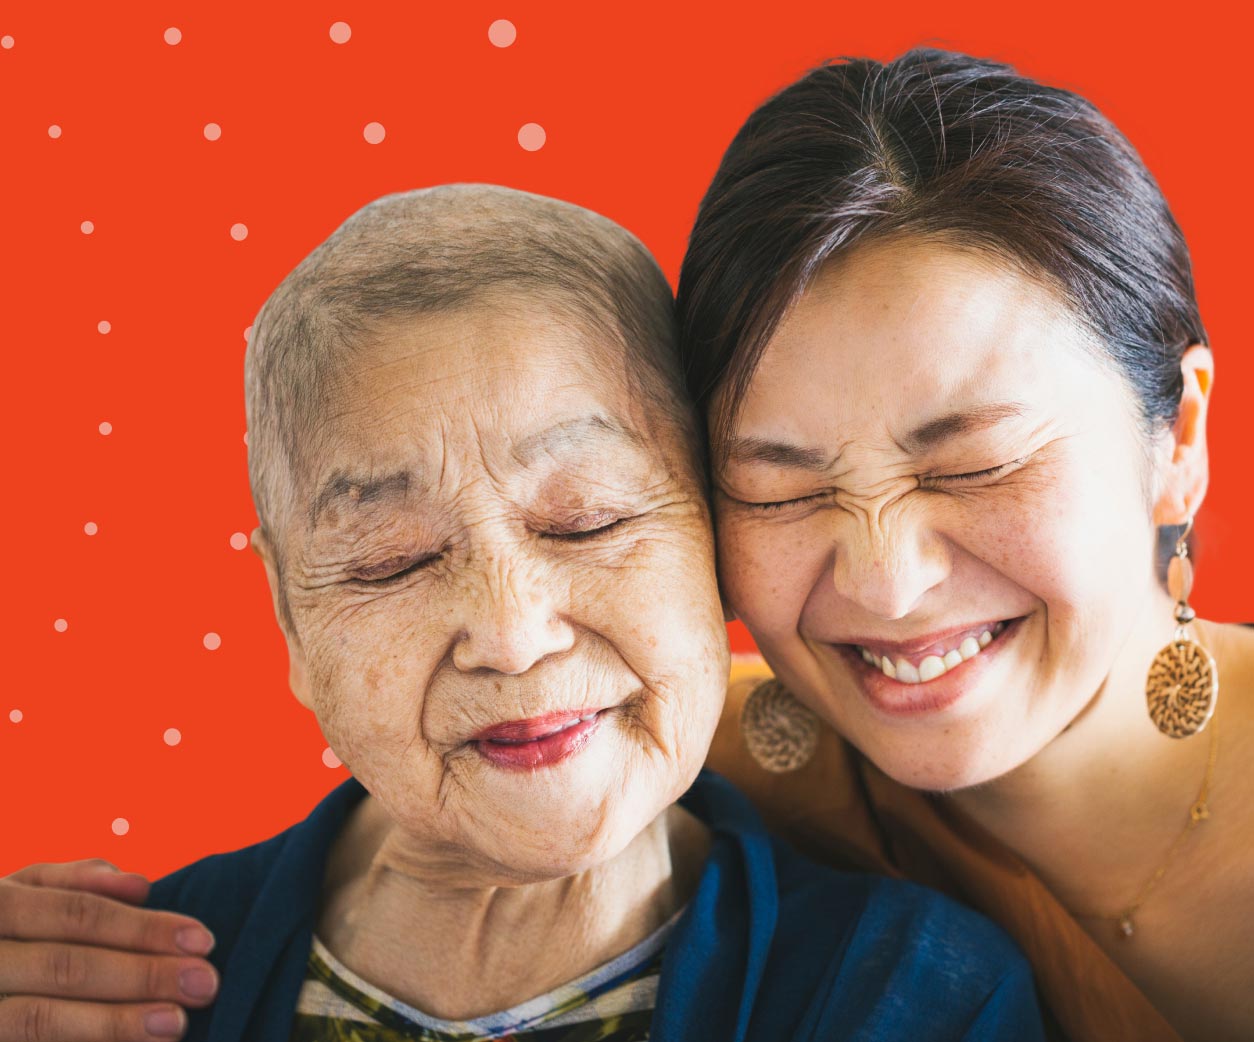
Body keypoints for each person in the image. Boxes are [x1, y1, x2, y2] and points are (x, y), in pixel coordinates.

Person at [0, 184, 1044, 1042]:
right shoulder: (127, 983)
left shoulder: (909, 993)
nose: (510, 631)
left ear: (718, 539)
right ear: (288, 617)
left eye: (587, 522)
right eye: (393, 559)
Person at [678, 49, 1253, 1042]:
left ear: (1180, 438)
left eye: (974, 465)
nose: (886, 583)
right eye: (782, 488)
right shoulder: (671, 777)